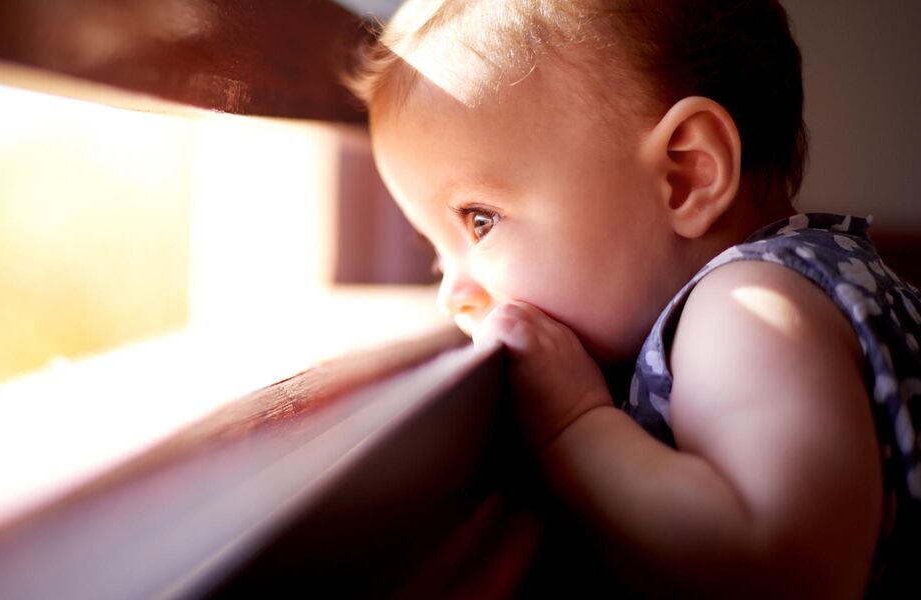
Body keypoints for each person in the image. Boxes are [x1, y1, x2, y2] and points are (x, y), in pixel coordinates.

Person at [346, 0, 921, 596]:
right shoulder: (803, 278)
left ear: (685, 177)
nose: (452, 295)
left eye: (480, 220)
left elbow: (779, 570)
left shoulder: (749, 304)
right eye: (437, 251)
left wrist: (575, 424)